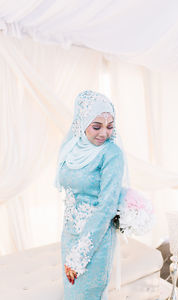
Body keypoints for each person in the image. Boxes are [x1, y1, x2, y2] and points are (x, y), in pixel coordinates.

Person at [55, 90, 125, 300]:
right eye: (97, 126)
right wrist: (72, 250)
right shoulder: (71, 149)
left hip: (95, 242)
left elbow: (107, 207)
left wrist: (79, 256)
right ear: (82, 121)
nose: (104, 133)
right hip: (69, 236)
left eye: (110, 127)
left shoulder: (111, 154)